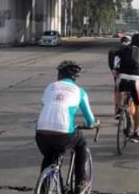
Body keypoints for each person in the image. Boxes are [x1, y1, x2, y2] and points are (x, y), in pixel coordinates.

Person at [35, 61, 98, 193]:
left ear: (59, 75)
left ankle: (45, 186)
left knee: (49, 157)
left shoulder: (50, 87)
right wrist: (93, 124)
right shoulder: (79, 91)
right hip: (64, 132)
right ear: (74, 77)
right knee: (81, 144)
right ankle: (81, 182)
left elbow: (48, 106)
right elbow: (89, 119)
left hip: (41, 132)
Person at [114, 33, 139, 143]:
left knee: (118, 89)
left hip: (123, 78)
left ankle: (119, 109)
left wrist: (114, 68)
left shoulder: (124, 49)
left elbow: (113, 54)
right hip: (136, 81)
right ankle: (136, 133)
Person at [108, 36, 131, 117]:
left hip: (117, 72)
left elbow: (111, 59)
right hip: (126, 72)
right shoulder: (131, 50)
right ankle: (124, 106)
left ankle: (117, 109)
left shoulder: (115, 50)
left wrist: (112, 69)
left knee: (118, 89)